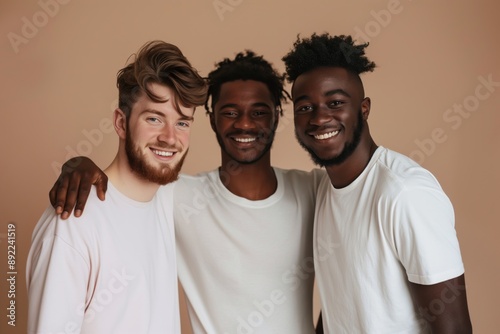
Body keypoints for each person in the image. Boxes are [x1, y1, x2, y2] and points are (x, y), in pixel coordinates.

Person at [48, 51, 324, 333]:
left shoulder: (314, 190)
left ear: (276, 116)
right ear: (212, 119)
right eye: (229, 112)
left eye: (259, 112)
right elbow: (132, 182)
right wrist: (78, 164)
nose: (244, 123)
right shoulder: (177, 196)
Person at [282, 33, 473, 333]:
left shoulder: (405, 193)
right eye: (305, 107)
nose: (319, 119)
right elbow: (340, 306)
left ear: (364, 108)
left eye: (335, 102)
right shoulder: (324, 191)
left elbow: (454, 328)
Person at [26, 40, 207, 333]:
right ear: (121, 124)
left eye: (183, 123)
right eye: (154, 118)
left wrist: (77, 160)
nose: (170, 138)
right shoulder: (73, 222)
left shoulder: (167, 201)